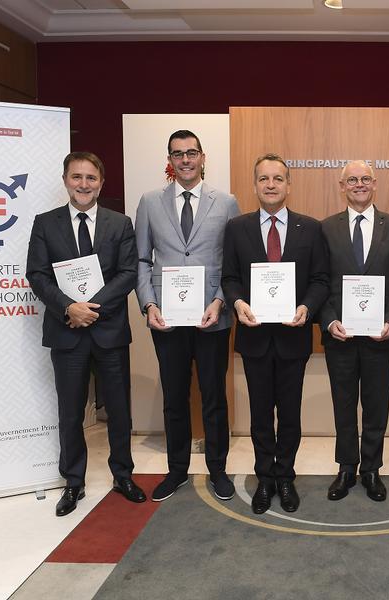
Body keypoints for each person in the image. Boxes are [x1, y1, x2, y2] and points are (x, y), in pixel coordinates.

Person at [26, 151, 145, 516]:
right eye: (76, 177)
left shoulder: (119, 223)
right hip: (67, 332)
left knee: (120, 411)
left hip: (108, 330)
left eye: (90, 178)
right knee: (70, 411)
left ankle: (123, 475)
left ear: (101, 182)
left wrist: (89, 307)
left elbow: (127, 273)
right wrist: (68, 308)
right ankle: (73, 482)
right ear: (65, 180)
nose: (83, 184)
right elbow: (37, 274)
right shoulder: (45, 223)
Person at [134, 130, 240, 503]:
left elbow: (233, 261)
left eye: (191, 153)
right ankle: (176, 470)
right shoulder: (149, 202)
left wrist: (219, 301)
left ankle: (219, 470)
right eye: (177, 154)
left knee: (214, 397)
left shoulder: (226, 202)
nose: (185, 160)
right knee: (174, 397)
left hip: (213, 317)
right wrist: (149, 305)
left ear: (202, 157)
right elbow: (143, 259)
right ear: (170, 159)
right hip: (167, 318)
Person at [222, 153, 330, 514]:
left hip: (292, 337)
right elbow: (230, 277)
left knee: (290, 414)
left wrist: (307, 308)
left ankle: (286, 477)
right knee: (259, 415)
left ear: (288, 184)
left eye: (278, 178)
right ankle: (264, 478)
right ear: (255, 184)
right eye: (264, 178)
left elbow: (319, 279)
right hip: (254, 337)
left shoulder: (310, 228)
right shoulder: (237, 227)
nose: (271, 184)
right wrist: (237, 303)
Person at [319, 160, 389, 502]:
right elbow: (320, 281)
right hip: (339, 335)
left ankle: (371, 469)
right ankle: (346, 468)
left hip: (379, 335)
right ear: (341, 186)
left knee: (375, 405)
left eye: (365, 179)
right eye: (352, 180)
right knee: (343, 404)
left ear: (375, 184)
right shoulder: (326, 228)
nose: (359, 184)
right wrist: (328, 320)